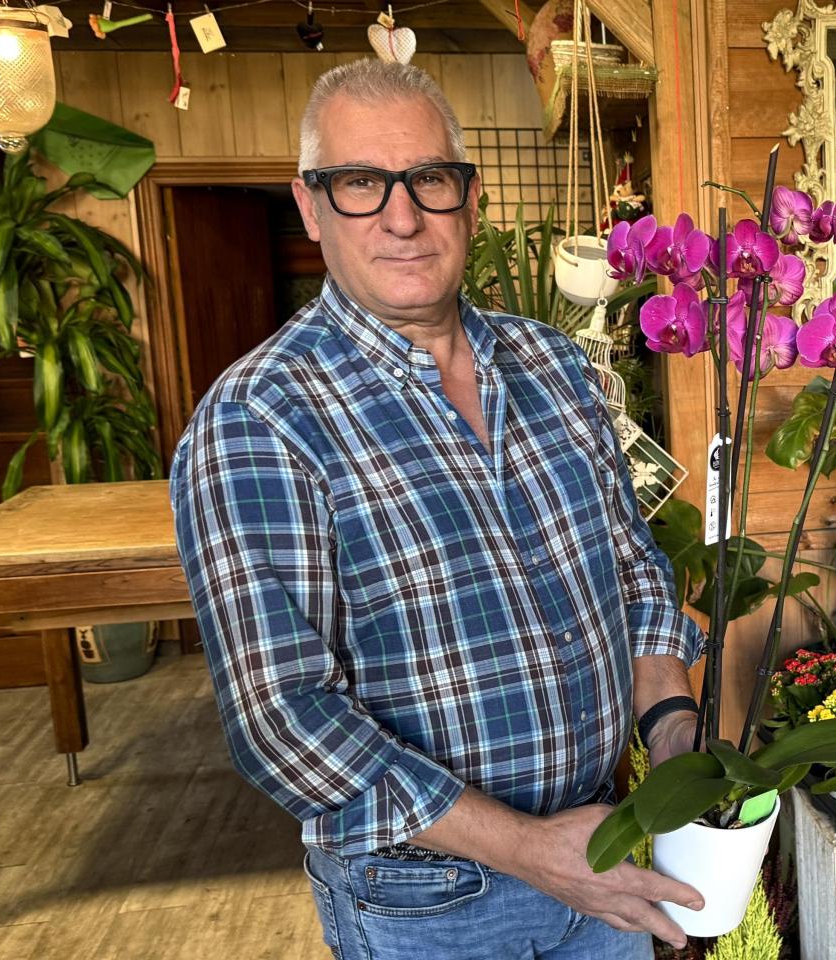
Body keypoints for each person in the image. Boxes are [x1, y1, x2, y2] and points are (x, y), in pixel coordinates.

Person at [170, 60, 707, 959]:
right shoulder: (260, 419)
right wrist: (530, 850)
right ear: (310, 207)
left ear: (469, 196)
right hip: (431, 900)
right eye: (359, 184)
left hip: (605, 849)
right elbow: (284, 717)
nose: (402, 215)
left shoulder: (554, 367)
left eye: (428, 178)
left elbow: (634, 574)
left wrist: (676, 737)